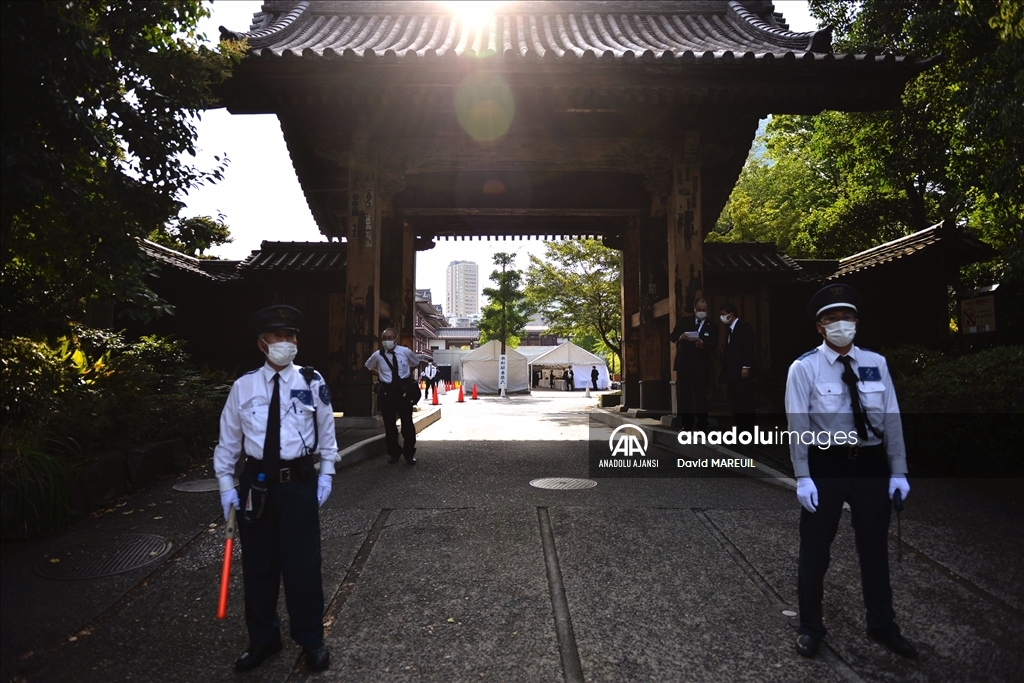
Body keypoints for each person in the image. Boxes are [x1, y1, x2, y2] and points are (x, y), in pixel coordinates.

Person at [785, 283, 917, 660]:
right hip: (826, 465)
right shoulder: (804, 368)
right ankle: (810, 626)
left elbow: (891, 419)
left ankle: (882, 625)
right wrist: (803, 475)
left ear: (857, 322)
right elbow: (798, 425)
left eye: (847, 317)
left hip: (872, 466)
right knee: (815, 552)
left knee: (875, 550)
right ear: (820, 327)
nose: (840, 324)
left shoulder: (876, 362)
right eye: (831, 319)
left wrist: (898, 470)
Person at [214, 305, 338, 673]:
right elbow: (228, 441)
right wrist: (225, 485)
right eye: (277, 336)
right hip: (256, 485)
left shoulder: (313, 381)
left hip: (298, 483)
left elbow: (327, 432)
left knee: (303, 567)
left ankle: (311, 639)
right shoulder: (243, 386)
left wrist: (327, 473)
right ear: (261, 344)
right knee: (258, 566)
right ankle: (263, 639)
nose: (286, 343)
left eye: (291, 336)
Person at [365, 328, 420, 464]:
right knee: (389, 425)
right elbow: (368, 367)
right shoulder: (377, 355)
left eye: (390, 337)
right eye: (384, 338)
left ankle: (409, 453)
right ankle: (394, 453)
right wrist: (381, 375)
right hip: (387, 392)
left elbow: (416, 363)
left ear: (396, 339)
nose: (387, 340)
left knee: (407, 423)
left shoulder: (405, 352)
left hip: (403, 392)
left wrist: (407, 373)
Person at [670, 297, 718, 430]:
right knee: (684, 396)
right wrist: (680, 338)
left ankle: (703, 424)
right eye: (699, 309)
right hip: (684, 364)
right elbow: (673, 336)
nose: (701, 312)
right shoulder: (684, 321)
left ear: (708, 310)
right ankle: (686, 424)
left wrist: (703, 344)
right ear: (694, 309)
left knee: (701, 396)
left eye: (704, 310)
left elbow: (714, 344)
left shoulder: (712, 326)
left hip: (701, 366)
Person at [719, 302, 756, 432]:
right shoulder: (729, 330)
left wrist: (746, 366)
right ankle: (740, 427)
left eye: (723, 315)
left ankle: (749, 428)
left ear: (731, 315)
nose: (721, 317)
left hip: (741, 371)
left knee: (745, 400)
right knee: (735, 401)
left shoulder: (743, 327)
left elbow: (748, 348)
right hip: (732, 372)